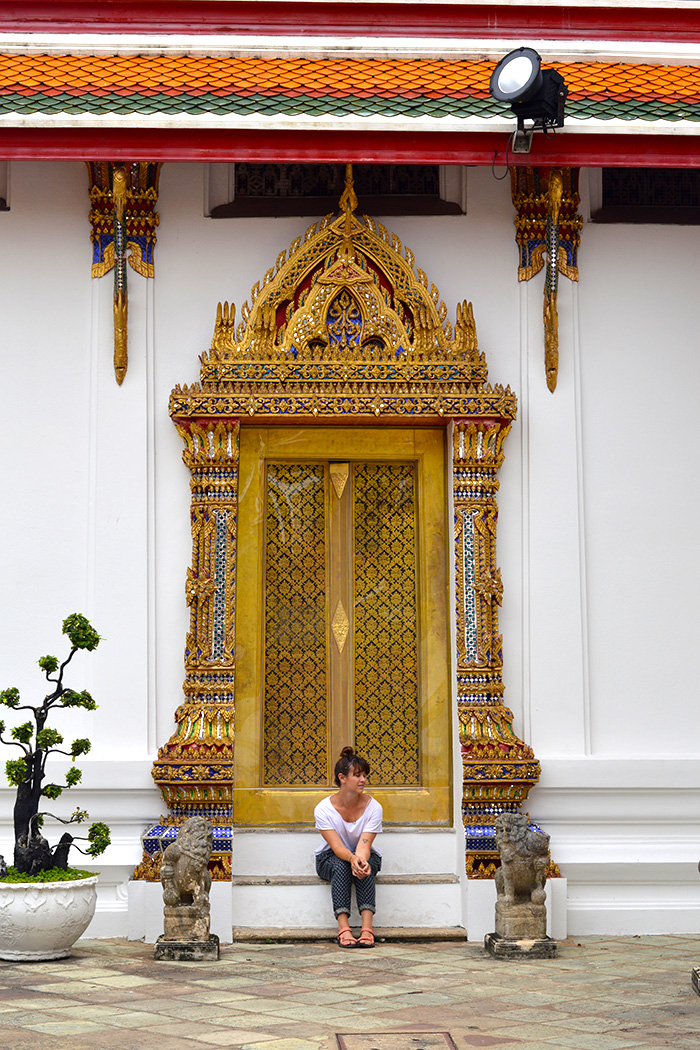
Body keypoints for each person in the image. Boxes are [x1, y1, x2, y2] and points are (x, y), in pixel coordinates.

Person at [314, 746, 383, 948]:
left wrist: (359, 860)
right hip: (329, 859)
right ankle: (343, 928)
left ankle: (367, 929)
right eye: (357, 775)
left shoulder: (374, 807)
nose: (363, 780)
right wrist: (352, 858)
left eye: (364, 775)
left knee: (365, 863)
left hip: (364, 854)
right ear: (342, 778)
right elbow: (336, 847)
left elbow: (364, 845)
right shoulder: (323, 809)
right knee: (341, 864)